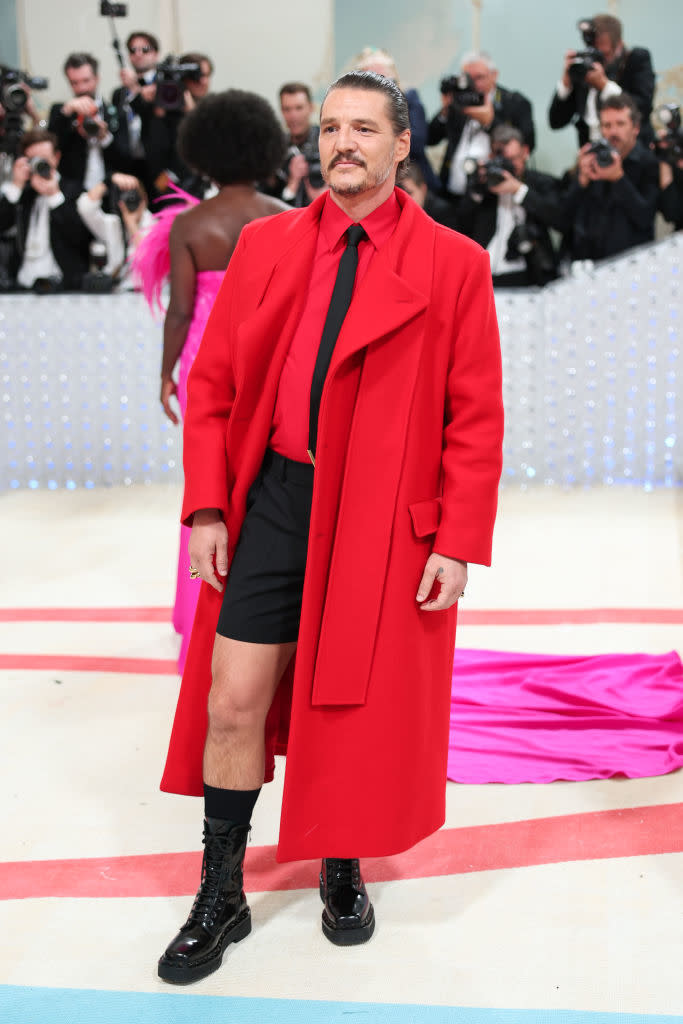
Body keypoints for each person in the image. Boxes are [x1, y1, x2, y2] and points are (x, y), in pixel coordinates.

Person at [156, 70, 503, 984]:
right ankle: (220, 892)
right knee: (233, 699)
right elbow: (215, 388)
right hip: (276, 495)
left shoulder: (455, 263)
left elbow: (474, 416)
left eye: (364, 129)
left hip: (384, 516)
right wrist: (204, 505)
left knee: (343, 700)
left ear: (399, 146)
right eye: (332, 129)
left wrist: (457, 539)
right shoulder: (269, 245)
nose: (342, 143)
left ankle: (339, 862)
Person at [132, 90, 288, 672]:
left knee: (207, 486)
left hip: (208, 366)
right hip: (270, 367)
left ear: (202, 153)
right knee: (266, 483)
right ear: (266, 146)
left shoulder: (191, 225)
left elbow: (177, 310)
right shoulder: (283, 218)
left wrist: (166, 374)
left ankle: (201, 605)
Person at [456, 125, 562, 287]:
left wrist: (518, 190)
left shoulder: (541, 183)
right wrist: (477, 188)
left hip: (527, 273)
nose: (509, 167)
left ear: (525, 152)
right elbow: (461, 224)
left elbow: (559, 218)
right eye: (503, 160)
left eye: (513, 160)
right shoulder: (484, 187)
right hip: (484, 273)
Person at [428, 51, 535, 207]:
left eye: (479, 77)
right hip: (452, 194)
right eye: (468, 78)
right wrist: (445, 110)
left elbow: (528, 143)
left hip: (492, 198)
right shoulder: (459, 102)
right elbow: (431, 138)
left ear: (494, 75)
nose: (474, 84)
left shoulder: (514, 102)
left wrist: (490, 122)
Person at [560, 93, 659, 262]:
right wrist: (581, 180)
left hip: (633, 263)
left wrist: (618, 178)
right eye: (607, 125)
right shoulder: (593, 159)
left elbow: (645, 217)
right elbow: (564, 218)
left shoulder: (649, 163)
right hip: (589, 263)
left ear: (635, 128)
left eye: (620, 124)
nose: (613, 132)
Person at [0, 128, 92, 290]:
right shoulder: (23, 195)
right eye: (33, 160)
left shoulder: (74, 190)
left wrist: (54, 196)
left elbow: (81, 238)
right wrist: (16, 186)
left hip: (62, 286)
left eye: (44, 159)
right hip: (22, 284)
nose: (39, 165)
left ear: (56, 157)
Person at [548, 13, 655, 147]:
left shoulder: (636, 59)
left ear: (619, 46)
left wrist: (604, 86)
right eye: (594, 52)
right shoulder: (584, 66)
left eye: (603, 54)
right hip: (590, 152)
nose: (597, 60)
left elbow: (643, 106)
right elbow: (556, 122)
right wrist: (566, 83)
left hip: (631, 153)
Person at [353, 46, 440, 193]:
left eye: (383, 79)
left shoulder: (408, 96)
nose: (379, 86)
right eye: (371, 80)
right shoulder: (354, 105)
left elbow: (417, 142)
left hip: (410, 179)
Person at [47, 53, 127, 194]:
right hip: (72, 191)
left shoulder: (115, 112)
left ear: (96, 79)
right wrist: (66, 111)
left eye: (86, 81)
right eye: (74, 83)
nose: (81, 88)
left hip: (109, 191)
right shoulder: (61, 112)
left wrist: (104, 136)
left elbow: (125, 159)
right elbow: (52, 146)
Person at [266, 82, 326, 207]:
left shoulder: (327, 141)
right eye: (287, 109)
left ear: (311, 108)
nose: (293, 116)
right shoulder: (274, 149)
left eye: (299, 108)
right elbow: (267, 199)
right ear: (281, 111)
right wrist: (292, 182)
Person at [399, 162, 458, 229]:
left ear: (423, 188)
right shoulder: (399, 210)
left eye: (409, 193)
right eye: (401, 194)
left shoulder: (442, 212)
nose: (405, 199)